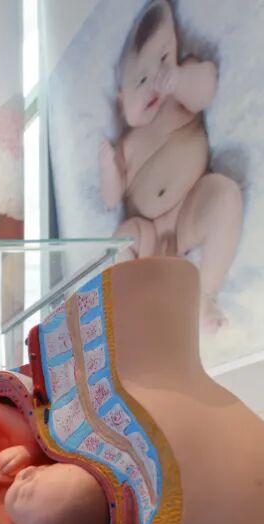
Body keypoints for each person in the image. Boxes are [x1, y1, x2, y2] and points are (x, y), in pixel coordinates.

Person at [99, 0, 242, 331]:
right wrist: (108, 168)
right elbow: (110, 199)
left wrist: (178, 79)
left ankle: (204, 294)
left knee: (226, 195)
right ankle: (131, 311)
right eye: (141, 80)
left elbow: (207, 86)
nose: (155, 82)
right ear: (121, 105)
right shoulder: (126, 145)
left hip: (190, 207)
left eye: (163, 61)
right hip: (147, 231)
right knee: (120, 242)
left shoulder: (178, 97)